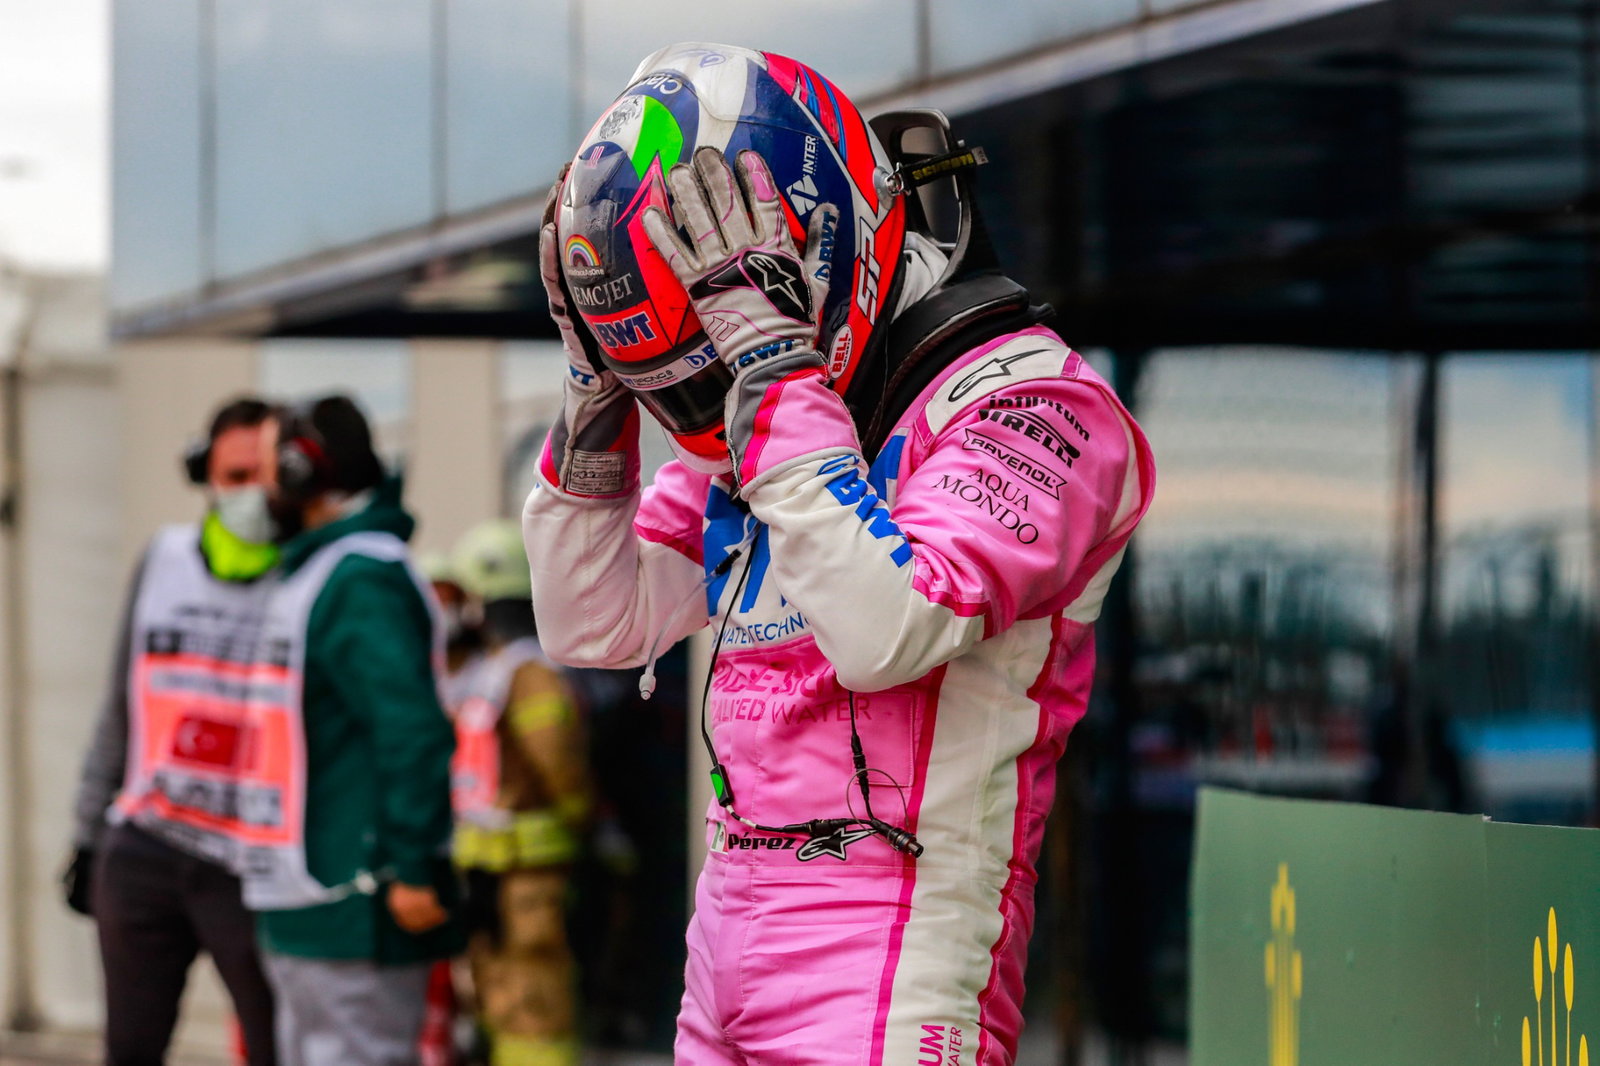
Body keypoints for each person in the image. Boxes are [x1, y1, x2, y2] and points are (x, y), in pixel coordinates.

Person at [521, 43, 1157, 1066]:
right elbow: (592, 621)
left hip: (895, 925)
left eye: (706, 368)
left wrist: (770, 368)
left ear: (813, 249)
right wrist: (593, 399)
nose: (697, 409)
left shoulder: (1040, 405)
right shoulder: (758, 420)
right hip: (727, 913)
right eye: (669, 384)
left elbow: (883, 630)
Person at [242, 395, 462, 1066]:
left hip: (356, 903)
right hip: (314, 898)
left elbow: (411, 729)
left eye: (265, 469)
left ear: (304, 472)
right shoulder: (319, 572)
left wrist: (412, 864)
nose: (259, 490)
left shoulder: (361, 577)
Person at [66, 396, 280, 1066]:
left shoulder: (310, 572)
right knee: (130, 1048)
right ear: (204, 474)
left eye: (264, 474)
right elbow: (120, 707)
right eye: (235, 476)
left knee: (279, 1043)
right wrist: (87, 836)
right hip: (146, 846)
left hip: (250, 860)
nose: (251, 493)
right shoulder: (164, 559)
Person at [448, 519, 590, 1066]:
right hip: (509, 872)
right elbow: (560, 769)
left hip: (517, 872)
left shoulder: (509, 674)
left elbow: (553, 763)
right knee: (516, 999)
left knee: (526, 1002)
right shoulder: (516, 672)